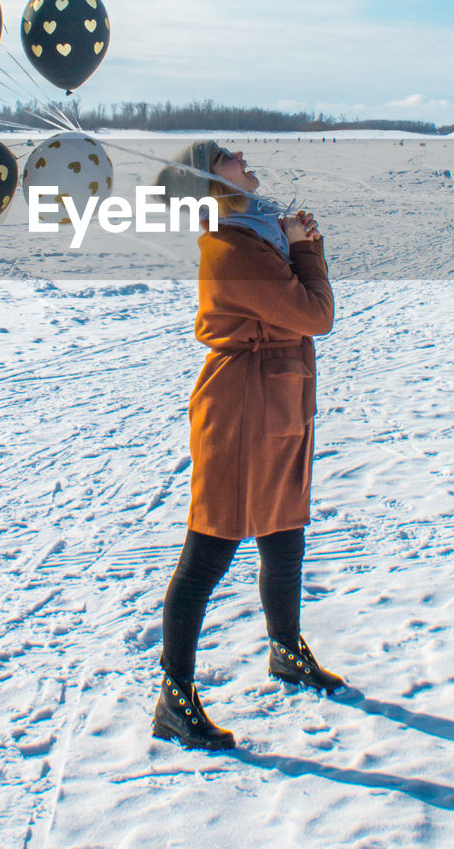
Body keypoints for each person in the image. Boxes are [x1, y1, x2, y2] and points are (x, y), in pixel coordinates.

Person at [151, 140, 342, 752]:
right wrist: (308, 250)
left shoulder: (257, 235)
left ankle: (286, 653)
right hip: (241, 411)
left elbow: (298, 308)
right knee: (210, 548)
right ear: (211, 183)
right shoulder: (234, 247)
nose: (240, 152)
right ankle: (174, 699)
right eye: (224, 154)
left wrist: (298, 243)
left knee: (284, 533)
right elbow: (315, 313)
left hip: (275, 398)